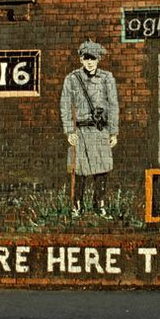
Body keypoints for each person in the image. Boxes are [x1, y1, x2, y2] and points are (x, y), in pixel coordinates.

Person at [59, 41, 119, 216]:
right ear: (81, 59)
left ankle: (99, 204)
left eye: (93, 58)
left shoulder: (107, 78)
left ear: (98, 59)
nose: (90, 62)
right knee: (79, 170)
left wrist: (113, 132)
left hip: (100, 130)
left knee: (102, 168)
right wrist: (69, 130)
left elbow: (113, 105)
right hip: (80, 131)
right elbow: (65, 105)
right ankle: (77, 205)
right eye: (86, 58)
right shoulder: (72, 79)